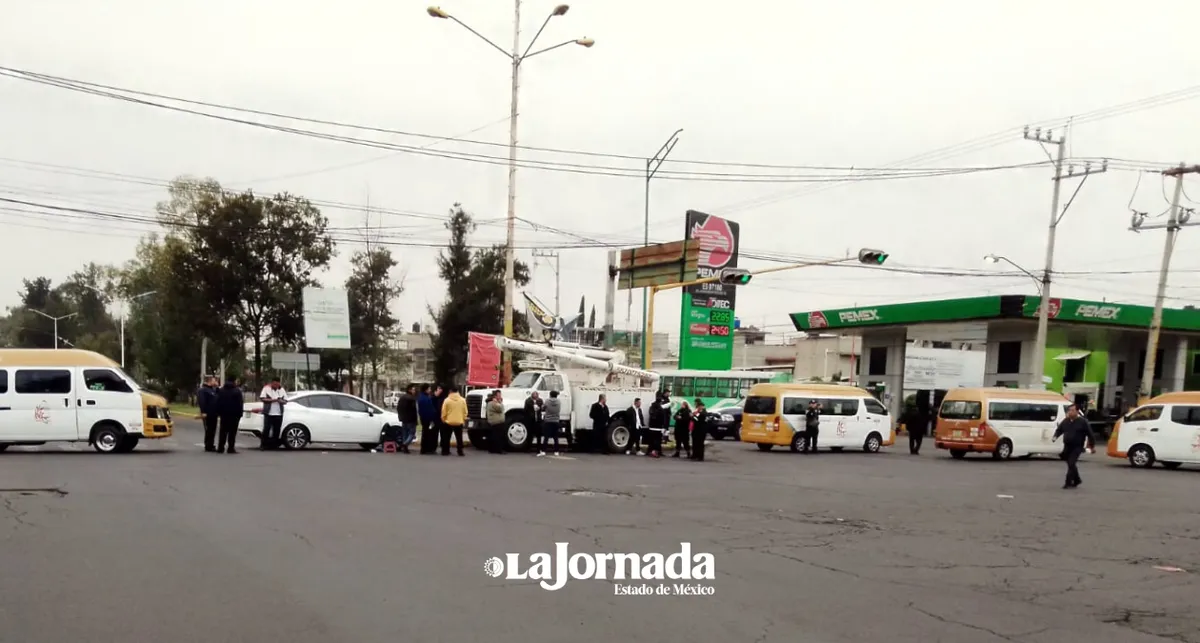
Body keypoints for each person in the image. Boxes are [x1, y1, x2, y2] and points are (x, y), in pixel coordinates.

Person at [1053, 404, 1096, 489]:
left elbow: (1090, 434)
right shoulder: (1066, 421)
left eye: (1072, 410)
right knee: (1070, 464)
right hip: (1067, 446)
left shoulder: (1082, 422)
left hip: (1077, 447)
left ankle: (1068, 482)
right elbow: (1059, 430)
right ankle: (1077, 479)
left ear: (1077, 411)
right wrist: (1055, 436)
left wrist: (1092, 446)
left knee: (1071, 463)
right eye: (1069, 410)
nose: (1070, 412)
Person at [214, 377, 244, 454]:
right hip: (234, 414)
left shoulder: (221, 391)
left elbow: (217, 402)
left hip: (224, 414)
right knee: (232, 432)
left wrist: (218, 412)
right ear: (234, 382)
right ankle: (231, 448)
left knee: (223, 431)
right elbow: (240, 404)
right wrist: (240, 414)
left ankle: (220, 447)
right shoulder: (237, 391)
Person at [258, 378, 288, 451]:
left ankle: (274, 445)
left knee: (277, 430)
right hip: (269, 413)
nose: (276, 385)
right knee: (266, 430)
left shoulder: (282, 390)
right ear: (272, 383)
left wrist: (281, 401)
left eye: (277, 384)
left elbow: (286, 401)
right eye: (274, 384)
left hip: (278, 413)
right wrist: (273, 400)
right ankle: (263, 445)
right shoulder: (266, 389)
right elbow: (262, 399)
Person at [440, 388, 468, 457]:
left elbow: (444, 411)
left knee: (446, 437)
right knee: (459, 437)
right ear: (457, 391)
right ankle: (460, 451)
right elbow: (465, 411)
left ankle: (445, 451)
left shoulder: (447, 400)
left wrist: (443, 419)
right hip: (459, 421)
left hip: (448, 421)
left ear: (450, 391)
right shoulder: (462, 400)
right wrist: (463, 419)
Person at [197, 375, 219, 452]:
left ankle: (211, 444)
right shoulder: (203, 390)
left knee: (213, 430)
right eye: (214, 380)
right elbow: (202, 402)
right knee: (209, 429)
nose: (215, 381)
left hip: (214, 413)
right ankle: (208, 445)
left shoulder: (213, 390)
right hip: (208, 413)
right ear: (209, 381)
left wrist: (217, 386)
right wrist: (203, 412)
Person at [540, 390, 562, 456]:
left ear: (550, 395)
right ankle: (556, 451)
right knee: (555, 437)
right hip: (556, 420)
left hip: (548, 421)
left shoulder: (547, 401)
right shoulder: (559, 401)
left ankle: (543, 451)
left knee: (546, 437)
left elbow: (543, 408)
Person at [646, 392, 667, 458]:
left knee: (651, 440)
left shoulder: (652, 407)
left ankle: (650, 451)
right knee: (657, 440)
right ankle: (656, 452)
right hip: (658, 427)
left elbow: (651, 415)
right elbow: (663, 418)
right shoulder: (661, 409)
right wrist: (664, 426)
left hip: (652, 426)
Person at [418, 385, 437, 454]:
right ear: (425, 390)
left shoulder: (423, 397)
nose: (430, 390)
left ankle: (425, 448)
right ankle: (425, 449)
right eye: (429, 389)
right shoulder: (425, 399)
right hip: (427, 418)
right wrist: (432, 417)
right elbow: (428, 409)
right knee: (426, 433)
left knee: (425, 433)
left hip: (424, 418)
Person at [486, 390, 506, 454]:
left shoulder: (493, 402)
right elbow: (500, 409)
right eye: (499, 395)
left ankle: (492, 449)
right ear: (495, 396)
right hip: (496, 422)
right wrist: (500, 402)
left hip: (496, 422)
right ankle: (499, 450)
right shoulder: (493, 403)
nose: (500, 396)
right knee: (498, 437)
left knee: (494, 436)